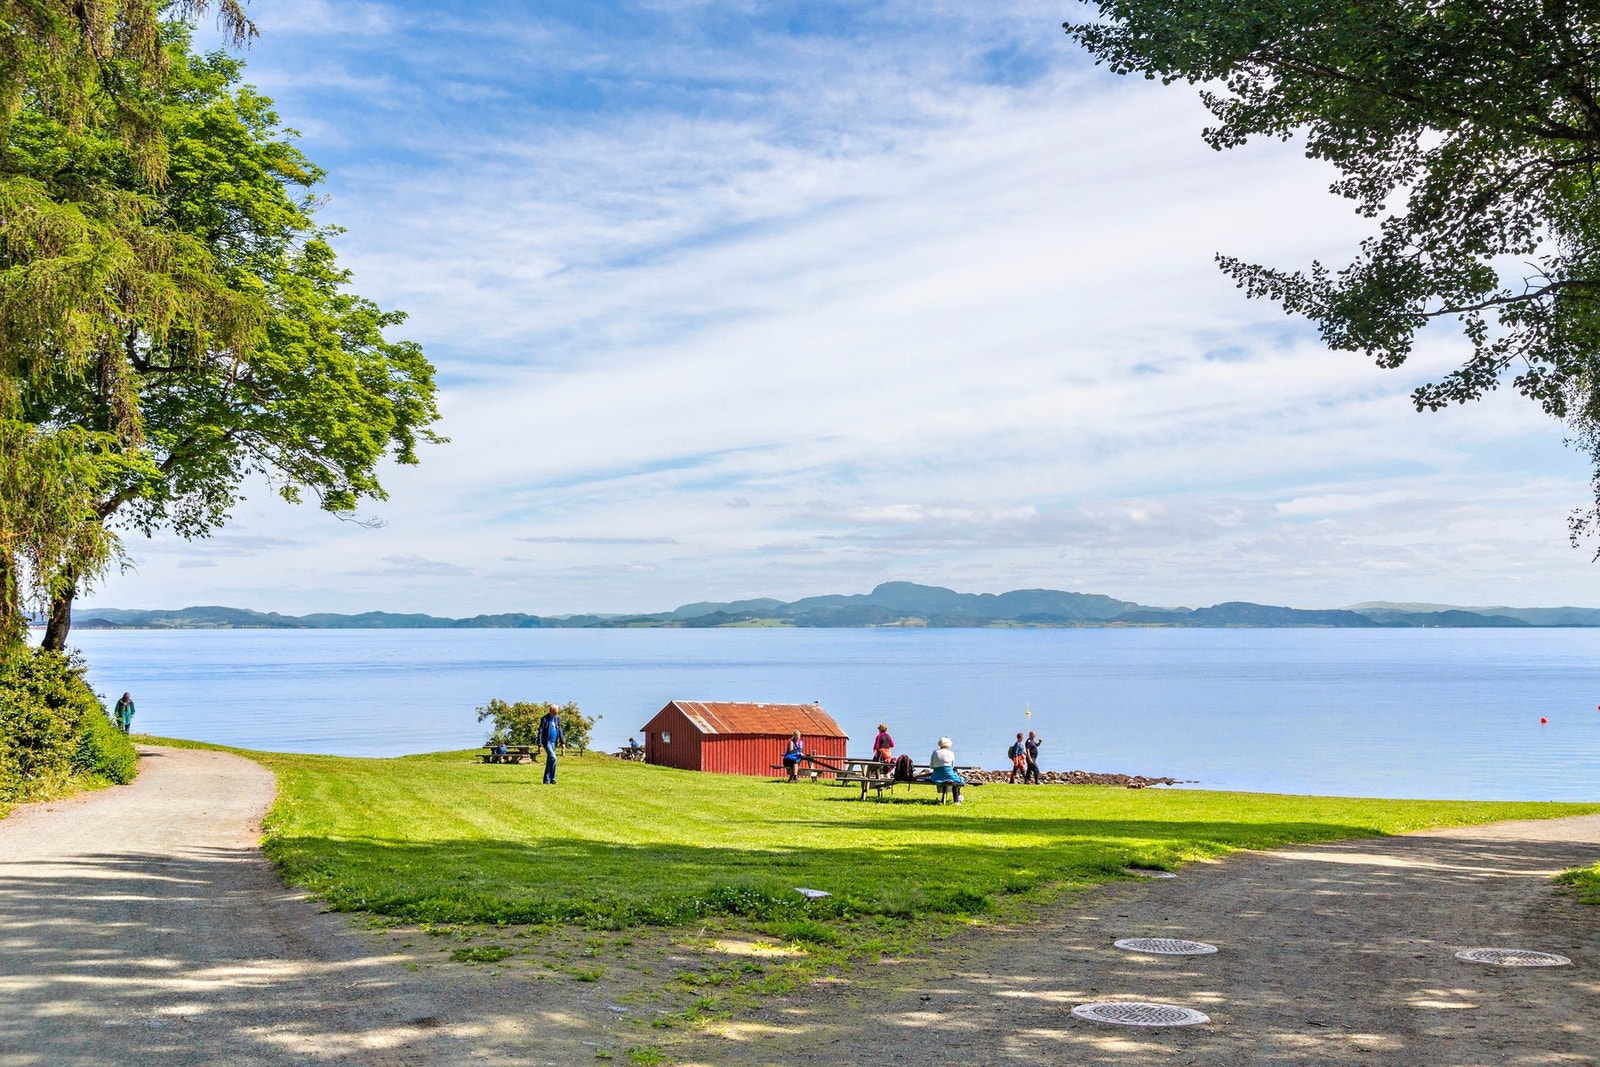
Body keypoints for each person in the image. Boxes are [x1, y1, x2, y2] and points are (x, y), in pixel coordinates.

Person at [928, 736, 965, 804]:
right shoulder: (951, 753)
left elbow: (931, 766)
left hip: (937, 776)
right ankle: (957, 800)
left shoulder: (935, 752)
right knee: (958, 780)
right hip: (948, 774)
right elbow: (952, 766)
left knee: (954, 779)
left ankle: (958, 797)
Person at [538, 706, 565, 784]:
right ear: (550, 711)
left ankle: (549, 779)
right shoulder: (544, 719)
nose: (556, 713)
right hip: (547, 742)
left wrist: (562, 742)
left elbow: (559, 730)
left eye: (557, 712)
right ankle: (550, 778)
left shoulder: (557, 719)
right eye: (555, 712)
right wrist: (539, 745)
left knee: (550, 760)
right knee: (554, 758)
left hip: (554, 742)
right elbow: (540, 731)